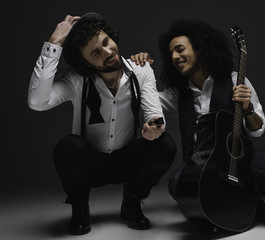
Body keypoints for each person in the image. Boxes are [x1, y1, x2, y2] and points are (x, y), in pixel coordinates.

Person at [131, 18, 265, 226]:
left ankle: (249, 199)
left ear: (200, 48)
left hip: (238, 160)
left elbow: (257, 130)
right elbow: (144, 99)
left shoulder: (236, 79)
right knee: (177, 185)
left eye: (180, 50)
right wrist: (139, 69)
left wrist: (247, 108)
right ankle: (226, 202)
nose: (174, 57)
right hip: (200, 164)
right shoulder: (178, 94)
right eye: (171, 53)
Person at [27, 12, 176, 235]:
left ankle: (132, 202)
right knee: (68, 146)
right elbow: (37, 101)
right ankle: (79, 209)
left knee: (166, 144)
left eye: (107, 42)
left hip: (128, 160)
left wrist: (153, 127)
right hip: (91, 164)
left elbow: (154, 112)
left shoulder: (141, 70)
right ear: (85, 62)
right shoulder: (77, 79)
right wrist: (54, 43)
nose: (108, 52)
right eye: (96, 52)